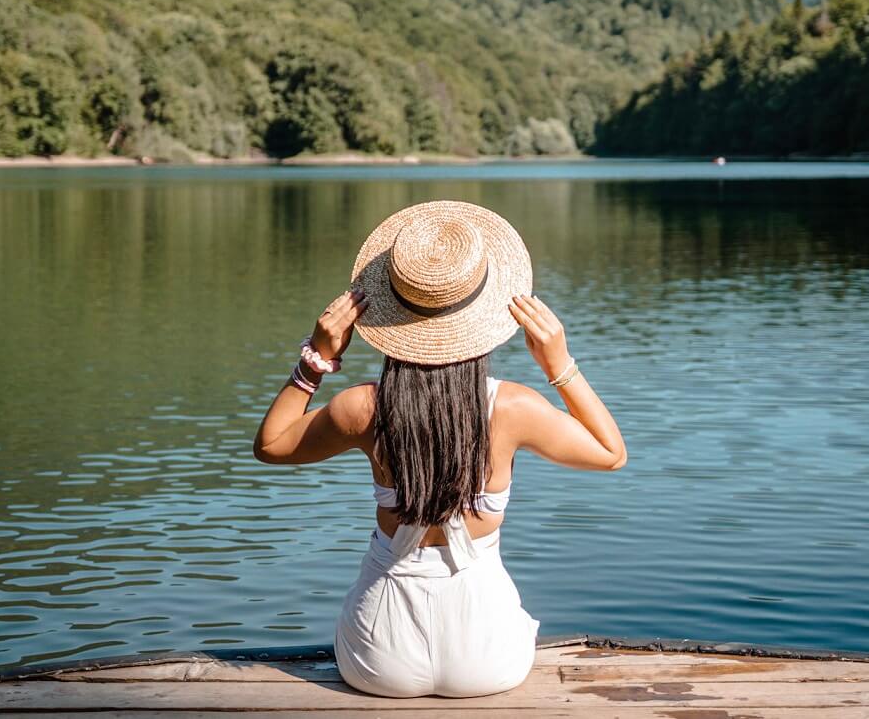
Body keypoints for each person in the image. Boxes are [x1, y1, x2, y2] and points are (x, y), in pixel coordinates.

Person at [253, 200, 627, 698]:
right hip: (487, 658)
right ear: (487, 315)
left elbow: (272, 446)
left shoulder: (362, 408)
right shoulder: (514, 408)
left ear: (388, 315)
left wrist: (317, 358)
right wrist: (558, 364)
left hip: (378, 658)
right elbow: (611, 453)